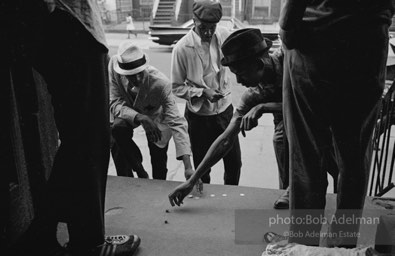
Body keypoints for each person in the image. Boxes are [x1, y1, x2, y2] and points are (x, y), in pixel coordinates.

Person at [6, 0, 141, 255]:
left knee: (82, 138)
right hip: (69, 21)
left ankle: (47, 232)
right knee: (88, 140)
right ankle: (86, 242)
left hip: (66, 21)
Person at [168, 28, 339, 209]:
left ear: (258, 64)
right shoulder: (253, 95)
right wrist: (193, 179)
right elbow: (226, 139)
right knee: (281, 138)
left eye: (241, 74)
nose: (239, 81)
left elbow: (313, 103)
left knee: (335, 165)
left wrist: (264, 107)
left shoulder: (293, 62)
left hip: (326, 115)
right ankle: (290, 188)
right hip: (290, 124)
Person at [279, 0, 394, 248]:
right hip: (369, 48)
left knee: (306, 156)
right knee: (354, 156)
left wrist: (287, 35)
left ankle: (303, 245)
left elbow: (290, 20)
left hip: (315, 47)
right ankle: (342, 245)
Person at [171, 0, 242, 185]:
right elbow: (176, 86)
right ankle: (206, 204)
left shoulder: (224, 35)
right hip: (199, 117)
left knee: (234, 163)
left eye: (212, 27)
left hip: (225, 111)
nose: (208, 32)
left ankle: (231, 199)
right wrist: (203, 92)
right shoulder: (181, 48)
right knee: (203, 167)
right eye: (203, 27)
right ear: (194, 20)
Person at [109, 41, 198, 183]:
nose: (137, 79)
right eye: (131, 75)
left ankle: (158, 185)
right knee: (117, 131)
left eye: (140, 73)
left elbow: (176, 121)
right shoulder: (114, 66)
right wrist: (140, 117)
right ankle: (136, 173)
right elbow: (114, 103)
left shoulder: (161, 84)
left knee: (158, 159)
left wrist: (188, 166)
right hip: (129, 111)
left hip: (157, 115)